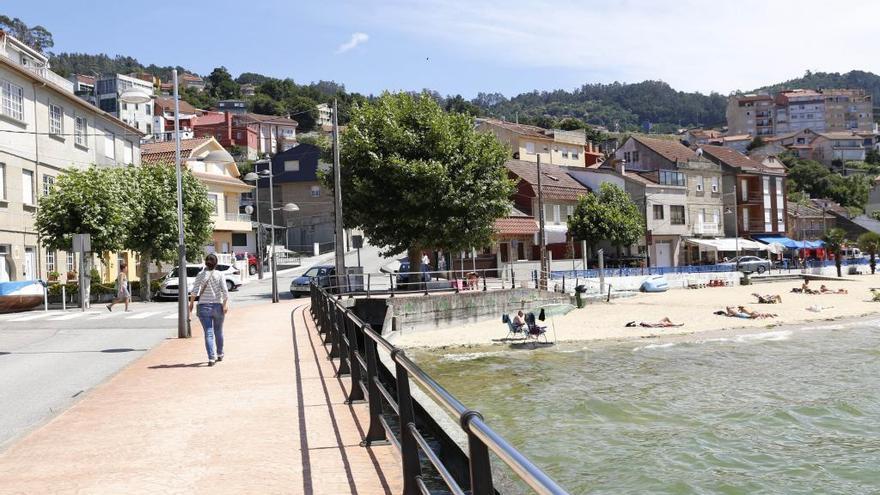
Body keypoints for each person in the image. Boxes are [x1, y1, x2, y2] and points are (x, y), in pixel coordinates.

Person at [189, 254, 229, 366]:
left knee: (208, 332)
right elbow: (225, 291)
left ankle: (211, 358)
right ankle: (220, 353)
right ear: (216, 263)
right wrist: (225, 305)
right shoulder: (220, 274)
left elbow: (194, 291)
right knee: (218, 331)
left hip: (203, 306)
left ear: (205, 263)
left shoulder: (200, 275)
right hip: (217, 306)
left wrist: (191, 305)